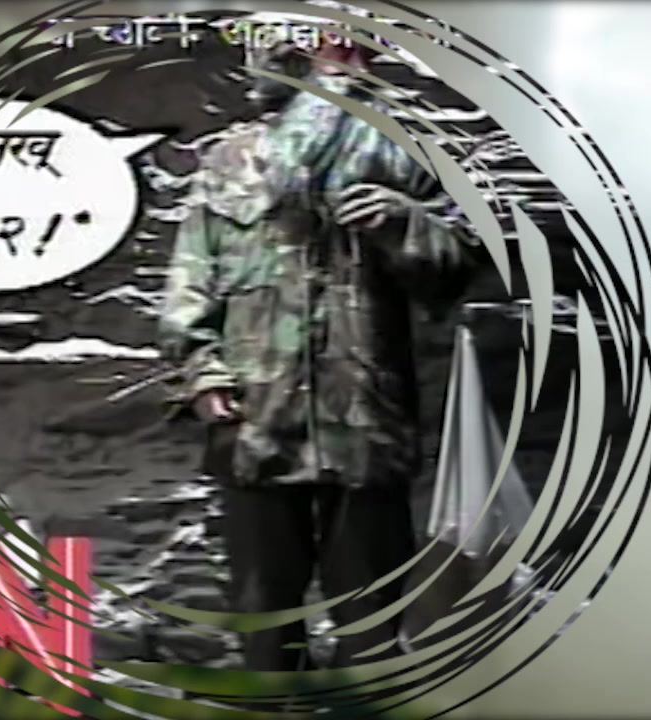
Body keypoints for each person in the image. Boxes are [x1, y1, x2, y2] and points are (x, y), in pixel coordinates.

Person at [157, 33, 478, 673]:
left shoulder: (400, 151)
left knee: (371, 624)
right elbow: (192, 278)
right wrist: (202, 372)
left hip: (361, 424)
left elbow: (456, 270)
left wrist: (404, 222)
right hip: (256, 423)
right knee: (265, 624)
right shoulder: (234, 159)